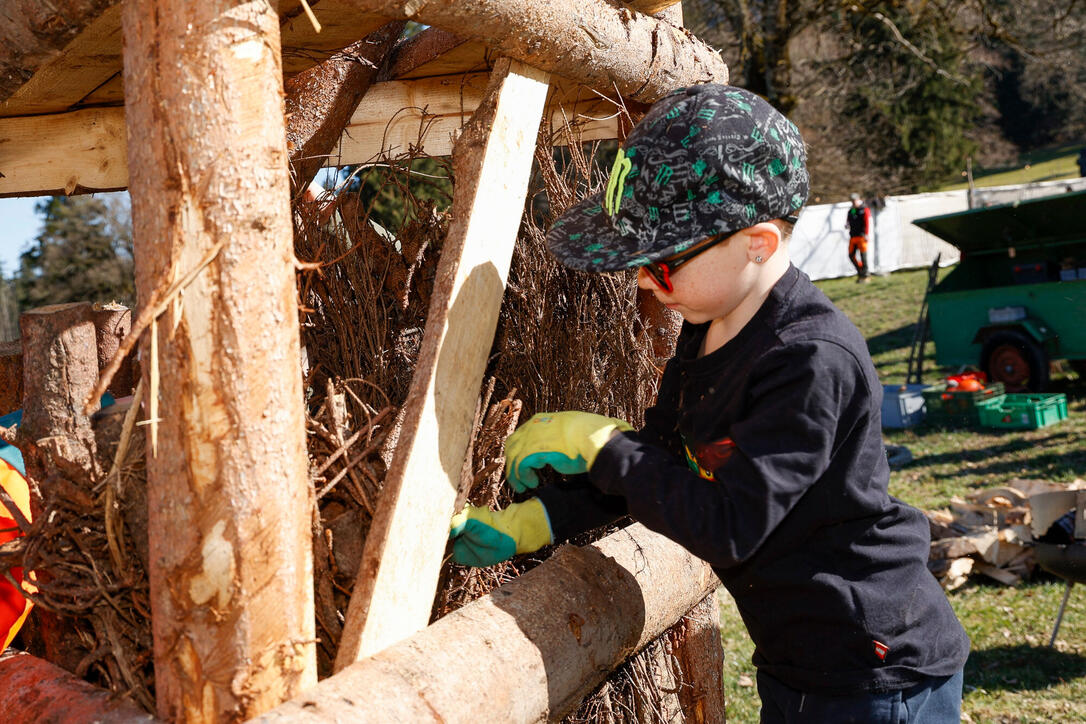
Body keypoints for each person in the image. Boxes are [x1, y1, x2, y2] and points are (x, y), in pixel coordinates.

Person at [449, 84, 969, 723]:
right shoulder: (710, 325)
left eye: (662, 262)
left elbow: (730, 524)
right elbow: (666, 460)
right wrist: (542, 519)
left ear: (758, 245)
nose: (642, 278)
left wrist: (606, 447)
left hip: (875, 671)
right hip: (802, 660)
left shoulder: (809, 359)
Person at [846, 192, 872, 282]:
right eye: (852, 201)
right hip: (853, 236)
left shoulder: (864, 209)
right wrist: (847, 224)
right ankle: (860, 272)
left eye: (854, 200)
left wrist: (866, 234)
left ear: (858, 199)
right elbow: (849, 219)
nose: (853, 202)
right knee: (851, 255)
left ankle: (866, 275)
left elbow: (867, 222)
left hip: (861, 236)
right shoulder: (852, 210)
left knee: (863, 256)